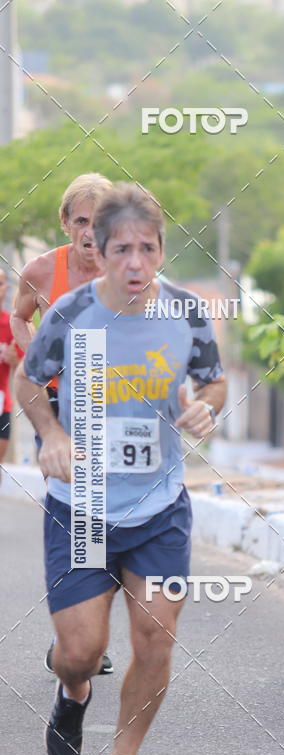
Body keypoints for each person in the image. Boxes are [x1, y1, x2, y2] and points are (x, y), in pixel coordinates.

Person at [16, 182, 227, 755]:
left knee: (156, 636)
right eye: (121, 250)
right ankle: (73, 692)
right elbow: (29, 385)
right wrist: (51, 432)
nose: (135, 262)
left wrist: (204, 409)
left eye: (147, 248)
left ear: (161, 250)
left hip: (159, 509)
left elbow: (213, 383)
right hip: (81, 510)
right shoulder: (70, 314)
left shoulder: (186, 314)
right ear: (98, 252)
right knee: (81, 652)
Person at [11, 173, 115, 675]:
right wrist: (33, 353)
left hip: (110, 404)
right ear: (65, 223)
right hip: (53, 405)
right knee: (73, 503)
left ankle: (87, 636)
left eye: (99, 222)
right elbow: (18, 315)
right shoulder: (40, 270)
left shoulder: (127, 270)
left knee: (98, 516)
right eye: (81, 221)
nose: (90, 233)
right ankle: (77, 635)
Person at [0, 269, 24, 473]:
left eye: (0, 284)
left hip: (2, 404)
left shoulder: (10, 325)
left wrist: (14, 360)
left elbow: (27, 373)